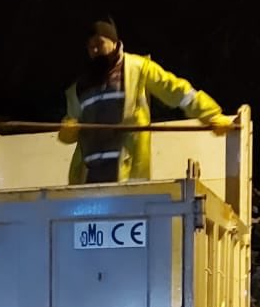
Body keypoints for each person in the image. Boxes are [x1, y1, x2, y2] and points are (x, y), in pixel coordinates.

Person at [59, 19, 232, 184]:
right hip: (88, 179)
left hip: (127, 177)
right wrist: (67, 130)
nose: (95, 51)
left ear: (114, 42)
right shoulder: (80, 86)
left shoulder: (138, 68)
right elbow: (72, 121)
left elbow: (176, 90)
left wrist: (210, 114)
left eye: (99, 44)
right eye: (90, 47)